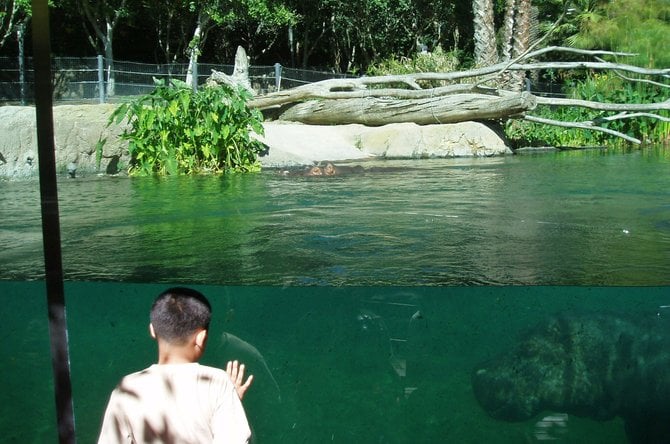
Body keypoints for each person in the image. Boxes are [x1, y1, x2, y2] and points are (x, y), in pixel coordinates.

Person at [98, 287, 254, 444]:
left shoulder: (127, 387)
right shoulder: (218, 381)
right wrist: (232, 401)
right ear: (202, 337)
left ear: (152, 330)